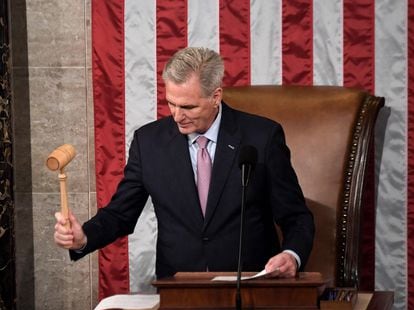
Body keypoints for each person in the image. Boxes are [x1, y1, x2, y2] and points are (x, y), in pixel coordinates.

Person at [54, 47, 314, 279]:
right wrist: (83, 237)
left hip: (249, 286)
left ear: (216, 96)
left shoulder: (262, 138)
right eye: (171, 103)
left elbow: (296, 216)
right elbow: (121, 213)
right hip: (179, 287)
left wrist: (292, 255)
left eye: (188, 107)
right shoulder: (149, 143)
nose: (177, 116)